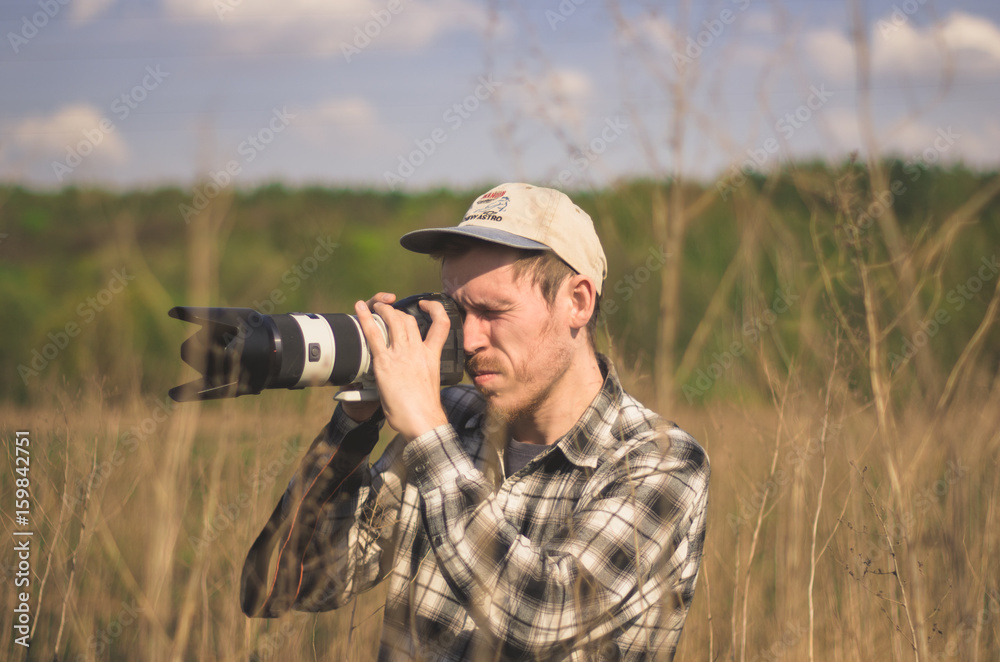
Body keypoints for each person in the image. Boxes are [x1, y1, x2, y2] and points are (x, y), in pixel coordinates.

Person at [241, 183, 710, 661]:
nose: (468, 341)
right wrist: (354, 424)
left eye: (491, 311)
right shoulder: (453, 418)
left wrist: (429, 435)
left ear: (578, 301)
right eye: (459, 312)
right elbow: (304, 584)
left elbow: (540, 616)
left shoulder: (660, 460)